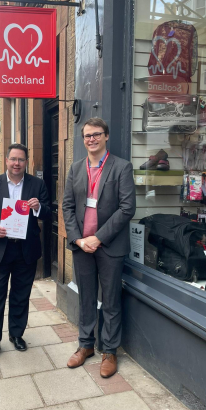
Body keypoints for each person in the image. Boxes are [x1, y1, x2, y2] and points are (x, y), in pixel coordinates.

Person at [62, 118, 136, 378]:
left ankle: (109, 350)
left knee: (111, 301)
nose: (91, 139)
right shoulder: (75, 169)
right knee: (86, 299)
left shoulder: (122, 168)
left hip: (109, 246)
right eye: (87, 136)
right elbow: (68, 207)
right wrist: (78, 239)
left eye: (96, 134)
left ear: (106, 136)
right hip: (82, 246)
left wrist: (99, 237)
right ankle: (85, 346)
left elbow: (127, 208)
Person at [0, 143, 51, 363]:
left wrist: (38, 207)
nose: (17, 163)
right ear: (6, 161)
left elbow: (48, 213)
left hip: (25, 251)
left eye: (21, 159)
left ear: (26, 162)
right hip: (0, 250)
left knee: (21, 296)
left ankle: (16, 334)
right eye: (13, 159)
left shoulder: (37, 184)